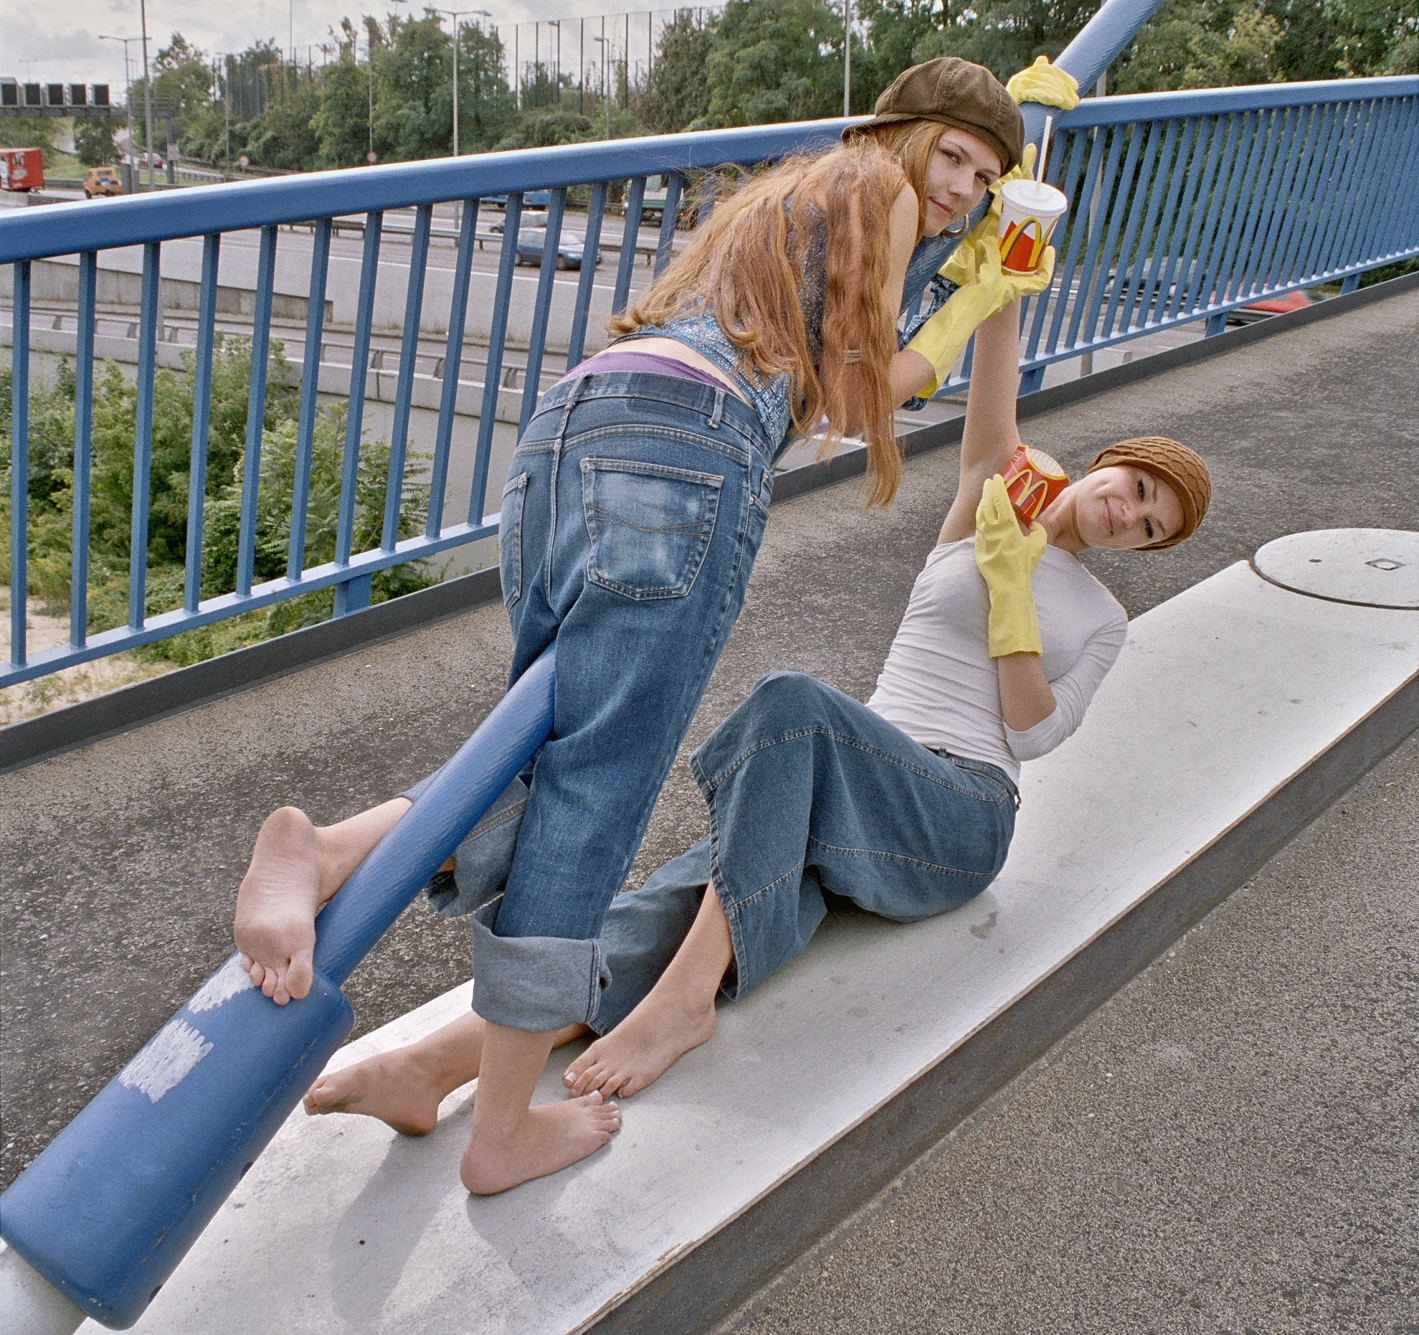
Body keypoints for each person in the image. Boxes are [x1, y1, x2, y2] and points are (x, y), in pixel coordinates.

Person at [234, 58, 1068, 1194]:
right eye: (954, 156)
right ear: (901, 135)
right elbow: (857, 393)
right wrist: (976, 305)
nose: (965, 186)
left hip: (579, 427)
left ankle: (333, 857)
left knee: (553, 743)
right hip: (685, 461)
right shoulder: (875, 187)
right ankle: (504, 1132)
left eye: (988, 172)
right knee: (598, 794)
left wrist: (953, 281)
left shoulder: (795, 198)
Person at [285, 288, 1209, 1137]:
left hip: (955, 817)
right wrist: (1010, 266)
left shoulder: (1101, 618)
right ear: (1105, 468)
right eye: (1134, 490)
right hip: (835, 789)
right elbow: (993, 404)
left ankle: (682, 1007)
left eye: (1150, 527)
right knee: (664, 908)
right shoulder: (988, 510)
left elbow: (1035, 735)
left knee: (792, 705)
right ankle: (427, 1069)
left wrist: (1013, 609)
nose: (1128, 518)